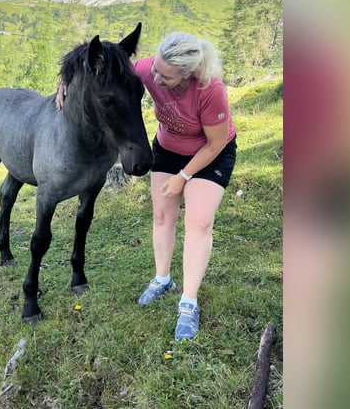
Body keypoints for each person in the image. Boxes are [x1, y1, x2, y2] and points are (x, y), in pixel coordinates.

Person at [55, 32, 237, 340]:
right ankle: (162, 279)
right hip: (168, 149)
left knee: (199, 222)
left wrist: (183, 177)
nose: (154, 77)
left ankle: (189, 302)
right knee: (162, 217)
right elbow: (99, 70)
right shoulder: (152, 69)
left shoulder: (210, 89)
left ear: (187, 74)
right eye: (155, 69)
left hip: (210, 153)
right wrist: (65, 84)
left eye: (164, 76)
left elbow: (216, 143)